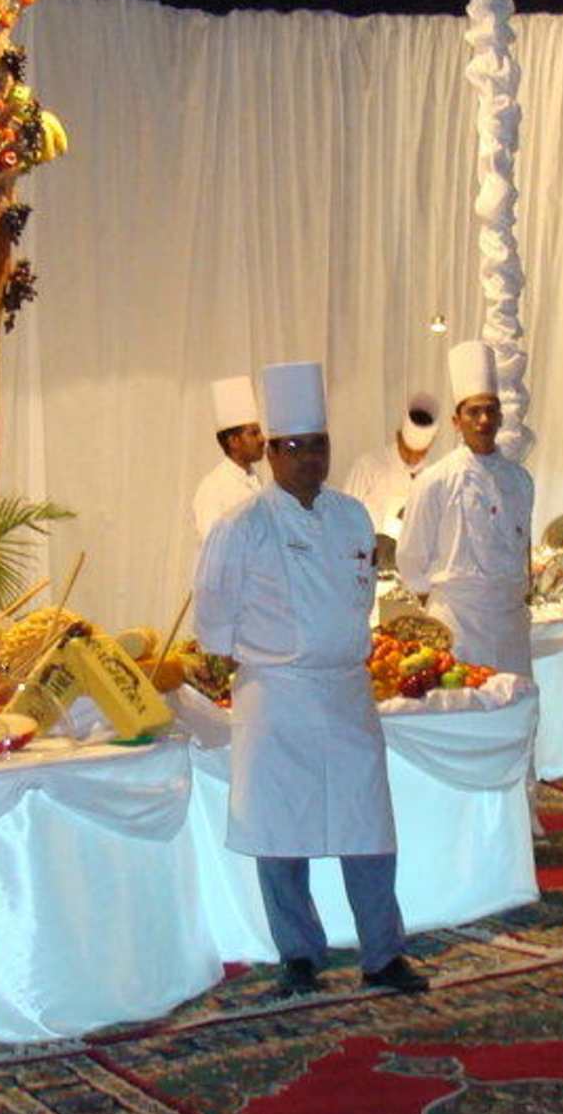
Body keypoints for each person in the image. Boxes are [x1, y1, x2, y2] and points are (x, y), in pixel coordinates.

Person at [193, 360, 428, 998]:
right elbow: (213, 609)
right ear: (271, 452)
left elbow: (362, 593)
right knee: (281, 833)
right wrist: (228, 659)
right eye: (294, 447)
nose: (309, 459)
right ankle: (298, 954)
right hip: (276, 694)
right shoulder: (242, 525)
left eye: (318, 445)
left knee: (368, 825)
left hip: (346, 690)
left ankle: (383, 954)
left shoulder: (352, 516)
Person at [395, 342, 535, 680]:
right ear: (457, 421)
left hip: (511, 625)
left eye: (491, 410)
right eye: (474, 412)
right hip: (459, 624)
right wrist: (447, 601)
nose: (483, 420)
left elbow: (523, 551)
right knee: (464, 706)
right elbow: (410, 559)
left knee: (515, 705)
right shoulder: (435, 480)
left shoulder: (520, 480)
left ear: (501, 416)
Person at [340, 391, 438, 541]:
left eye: (420, 454)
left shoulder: (432, 476)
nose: (413, 459)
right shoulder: (368, 466)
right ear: (398, 437)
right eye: (407, 451)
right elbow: (344, 517)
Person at [191, 375, 264, 542]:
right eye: (253, 434)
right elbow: (214, 544)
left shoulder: (256, 481)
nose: (262, 439)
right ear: (233, 441)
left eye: (259, 432)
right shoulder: (213, 487)